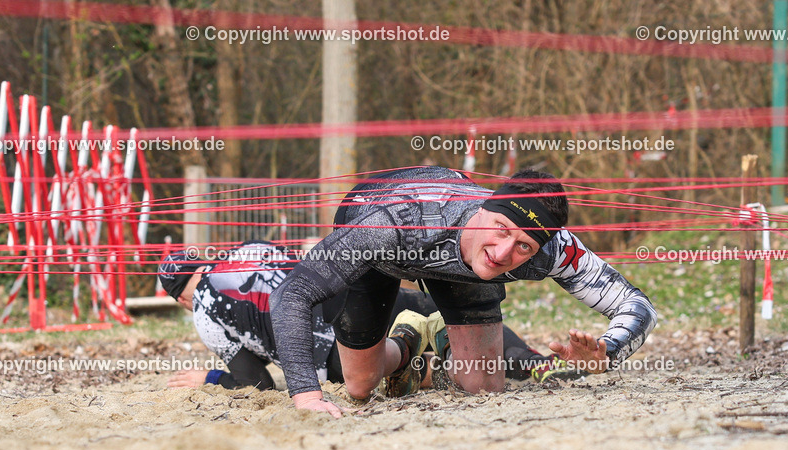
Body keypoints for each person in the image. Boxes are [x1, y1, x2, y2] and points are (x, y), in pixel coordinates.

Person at [269, 166, 658, 417]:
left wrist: (609, 350)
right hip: (379, 241)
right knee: (360, 385)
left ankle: (436, 342)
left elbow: (637, 304)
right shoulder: (396, 223)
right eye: (502, 230)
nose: (503, 253)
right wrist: (306, 397)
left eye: (524, 247)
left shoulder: (554, 249)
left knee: (484, 387)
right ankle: (406, 345)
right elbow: (293, 294)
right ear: (484, 210)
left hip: (458, 261)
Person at [157, 241, 576, 392]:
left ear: (180, 300)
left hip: (339, 351)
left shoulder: (205, 315)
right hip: (361, 300)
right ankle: (538, 363)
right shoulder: (248, 250)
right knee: (463, 319)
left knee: (415, 367)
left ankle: (440, 364)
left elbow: (258, 382)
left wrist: (213, 379)